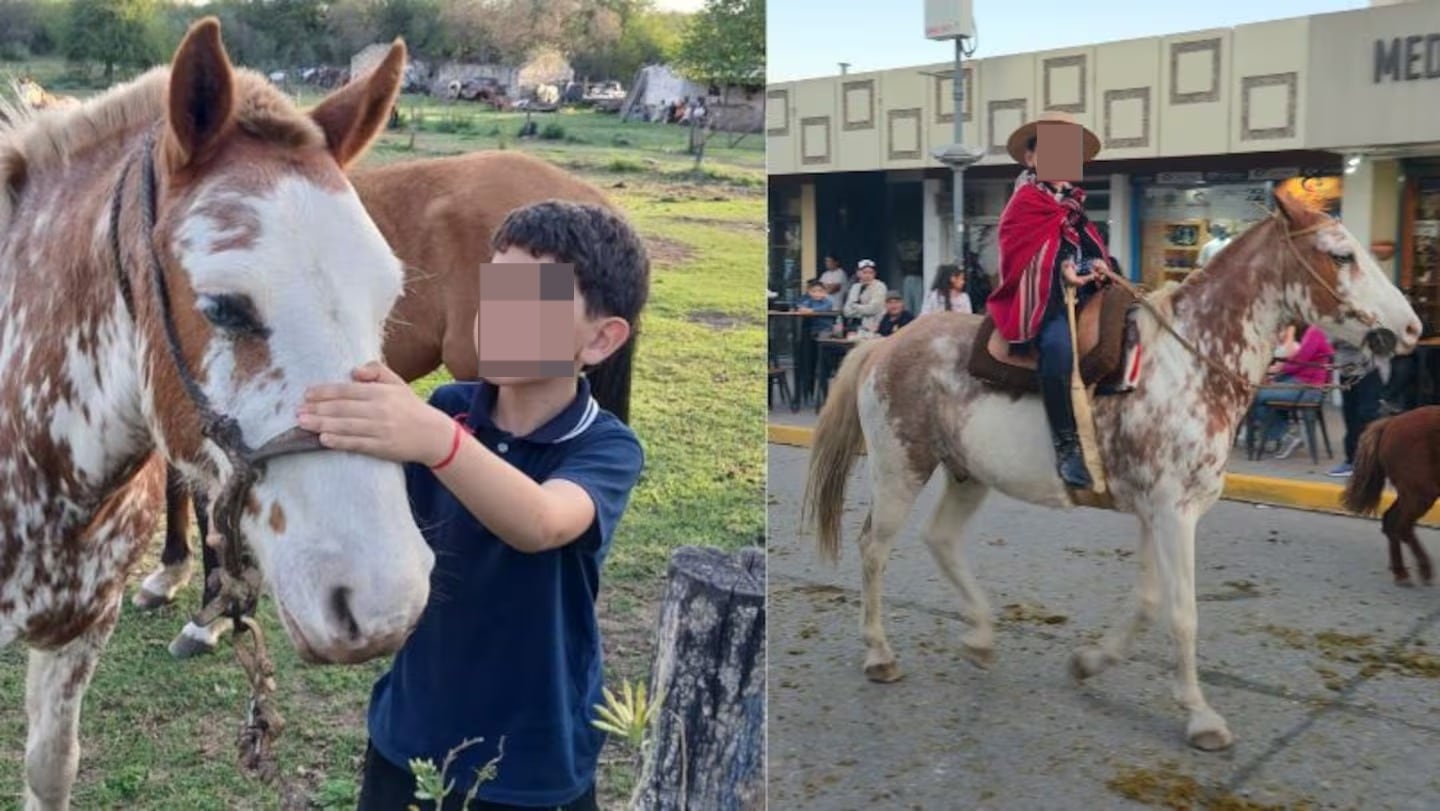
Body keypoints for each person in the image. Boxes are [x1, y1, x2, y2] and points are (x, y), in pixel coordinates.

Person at [298, 201, 649, 811]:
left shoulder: (605, 446)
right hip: (408, 735)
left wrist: (436, 440)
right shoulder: (449, 405)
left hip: (531, 766)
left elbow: (540, 522)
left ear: (601, 338)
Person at [988, 110, 1110, 490]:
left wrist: (1099, 263)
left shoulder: (1072, 203)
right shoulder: (1025, 200)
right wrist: (1063, 272)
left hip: (1083, 291)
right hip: (1045, 298)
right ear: (1031, 158)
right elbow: (1016, 252)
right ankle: (1066, 446)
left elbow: (1086, 242)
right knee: (1058, 350)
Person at [1252, 320, 1334, 460]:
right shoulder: (1312, 333)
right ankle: (1283, 433)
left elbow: (1300, 360)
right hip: (1303, 384)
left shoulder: (1314, 333)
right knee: (1262, 395)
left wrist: (1276, 369)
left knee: (1255, 396)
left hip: (1308, 389)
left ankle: (1285, 435)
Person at [1328, 339, 1383, 477]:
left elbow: (1374, 338)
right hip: (1346, 374)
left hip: (1368, 372)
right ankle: (1351, 461)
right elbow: (1329, 340)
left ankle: (1373, 462)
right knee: (1350, 417)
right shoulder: (1334, 322)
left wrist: (1346, 338)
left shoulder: (1367, 318)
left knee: (1367, 416)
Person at [843, 258, 887, 333]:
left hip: (873, 327)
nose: (868, 275)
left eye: (871, 273)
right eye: (865, 272)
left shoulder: (880, 286)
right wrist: (862, 311)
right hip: (854, 326)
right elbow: (846, 311)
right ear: (858, 273)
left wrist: (854, 306)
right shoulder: (855, 287)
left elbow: (872, 309)